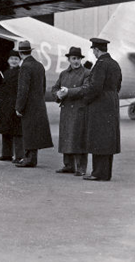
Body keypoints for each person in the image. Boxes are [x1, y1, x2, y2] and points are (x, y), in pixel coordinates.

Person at [81, 37, 122, 181]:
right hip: (112, 102)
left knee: (98, 138)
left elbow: (95, 87)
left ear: (97, 50)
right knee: (107, 139)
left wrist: (86, 100)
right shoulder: (115, 64)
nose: (93, 53)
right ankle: (105, 173)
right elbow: (118, 86)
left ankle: (97, 173)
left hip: (100, 104)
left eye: (94, 50)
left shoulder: (100, 64)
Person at [51, 46, 90, 176]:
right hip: (67, 110)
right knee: (66, 137)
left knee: (78, 139)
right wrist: (58, 95)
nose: (76, 61)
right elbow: (54, 88)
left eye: (78, 58)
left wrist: (68, 92)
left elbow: (85, 88)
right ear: (69, 59)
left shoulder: (86, 73)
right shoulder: (64, 74)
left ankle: (81, 168)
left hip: (79, 110)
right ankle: (68, 165)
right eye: (74, 58)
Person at [15, 41, 53, 167]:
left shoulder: (25, 66)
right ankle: (32, 158)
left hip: (29, 104)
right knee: (34, 132)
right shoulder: (39, 66)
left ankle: (29, 159)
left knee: (28, 131)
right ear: (30, 51)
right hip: (38, 103)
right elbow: (43, 86)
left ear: (20, 53)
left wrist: (19, 107)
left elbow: (23, 89)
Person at [0, 50, 24, 163]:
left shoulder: (21, 72)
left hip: (14, 105)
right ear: (8, 60)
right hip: (5, 105)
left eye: (16, 59)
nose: (13, 61)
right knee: (5, 130)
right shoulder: (6, 72)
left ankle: (19, 156)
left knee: (17, 132)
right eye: (12, 59)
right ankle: (6, 154)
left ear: (20, 61)